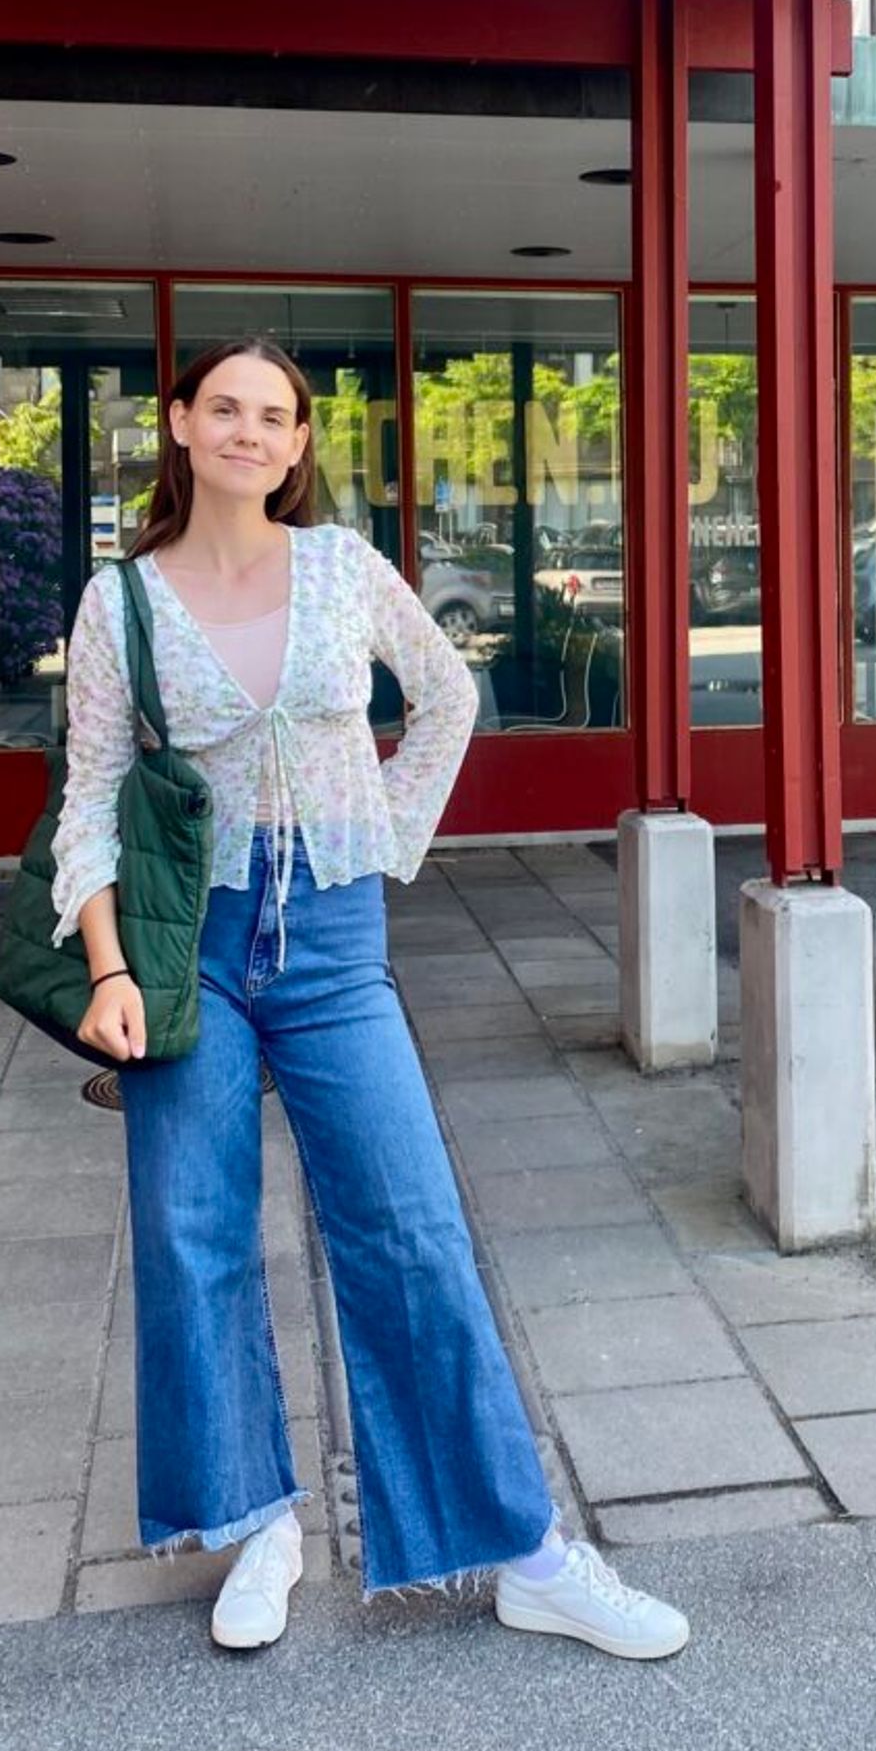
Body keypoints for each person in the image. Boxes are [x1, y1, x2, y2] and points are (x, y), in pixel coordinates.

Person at [50, 336, 687, 1659]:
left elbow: (449, 695)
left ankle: (522, 1549)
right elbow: (93, 800)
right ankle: (256, 1523)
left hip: (334, 941)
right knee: (192, 1231)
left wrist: (383, 838)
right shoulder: (122, 605)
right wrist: (107, 968)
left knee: (409, 1226)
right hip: (188, 947)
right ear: (179, 425)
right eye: (221, 407)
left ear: (295, 446)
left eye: (271, 415)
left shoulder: (344, 568)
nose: (245, 430)